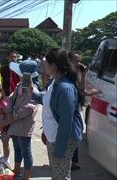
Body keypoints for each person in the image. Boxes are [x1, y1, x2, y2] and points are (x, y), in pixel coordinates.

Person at [32, 48, 84, 180]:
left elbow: (66, 122)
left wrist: (59, 151)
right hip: (54, 135)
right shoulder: (54, 81)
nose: (43, 66)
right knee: (57, 173)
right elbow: (48, 101)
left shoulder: (65, 88)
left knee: (61, 175)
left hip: (63, 138)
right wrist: (32, 92)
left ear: (54, 65)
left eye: (46, 63)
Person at [0, 59, 39, 180]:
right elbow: (11, 99)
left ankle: (26, 176)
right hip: (15, 124)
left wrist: (10, 116)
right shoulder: (19, 86)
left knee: (26, 151)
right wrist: (8, 110)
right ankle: (16, 169)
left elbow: (27, 109)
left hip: (24, 126)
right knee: (17, 147)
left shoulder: (34, 90)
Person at [68, 51, 101, 171]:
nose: (79, 63)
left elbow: (82, 88)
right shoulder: (66, 73)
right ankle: (70, 161)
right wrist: (97, 92)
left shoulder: (77, 72)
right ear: (69, 60)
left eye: (80, 60)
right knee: (75, 134)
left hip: (76, 105)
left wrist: (82, 74)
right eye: (76, 60)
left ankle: (73, 161)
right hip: (70, 107)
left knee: (76, 133)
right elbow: (83, 91)